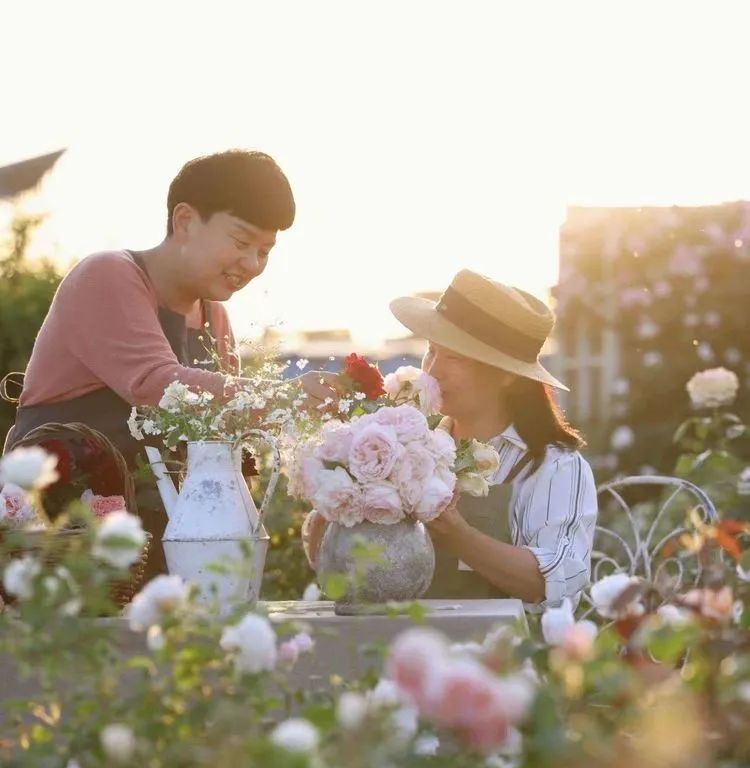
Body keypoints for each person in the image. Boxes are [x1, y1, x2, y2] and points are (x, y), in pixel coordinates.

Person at [4, 148, 336, 461]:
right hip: (65, 511)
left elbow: (225, 440)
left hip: (165, 514)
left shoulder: (214, 316)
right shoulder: (107, 274)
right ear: (185, 221)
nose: (252, 264)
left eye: (264, 251)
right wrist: (283, 396)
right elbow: (156, 386)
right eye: (241, 241)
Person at [304, 269, 597, 610]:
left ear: (508, 377)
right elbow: (326, 564)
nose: (434, 370)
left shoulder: (554, 466)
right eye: (431, 351)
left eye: (455, 358)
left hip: (502, 656)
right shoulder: (397, 446)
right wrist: (338, 491)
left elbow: (550, 585)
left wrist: (459, 536)